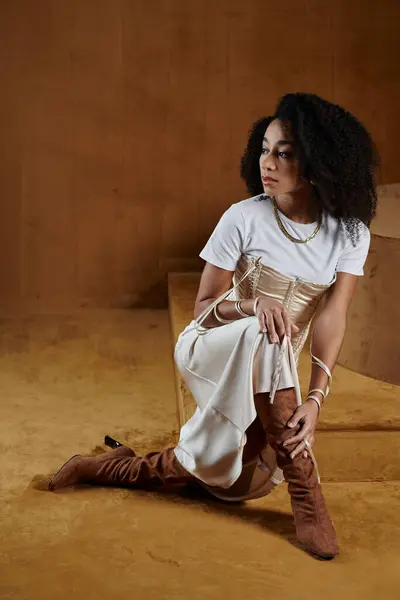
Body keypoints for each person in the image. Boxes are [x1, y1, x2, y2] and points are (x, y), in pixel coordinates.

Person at [49, 93, 378, 561]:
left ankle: (103, 468)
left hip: (271, 369)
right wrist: (251, 305)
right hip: (211, 346)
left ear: (318, 162)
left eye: (283, 152)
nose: (267, 162)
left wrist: (317, 396)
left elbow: (333, 315)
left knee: (231, 480)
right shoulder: (243, 216)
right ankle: (307, 493)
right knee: (264, 333)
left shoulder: (349, 233)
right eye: (264, 148)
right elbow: (203, 309)